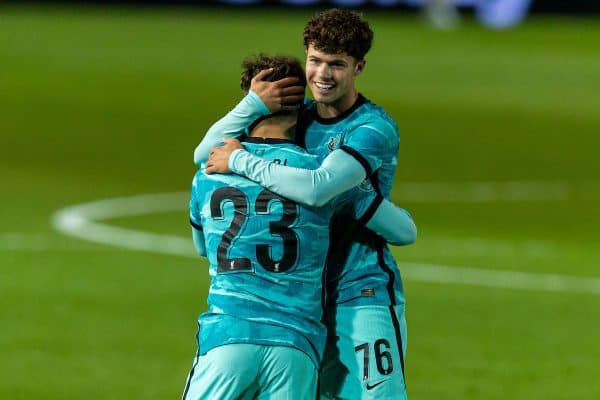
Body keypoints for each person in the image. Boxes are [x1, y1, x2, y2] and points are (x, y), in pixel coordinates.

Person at [196, 9, 415, 399]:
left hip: (358, 288)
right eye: (315, 61)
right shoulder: (299, 117)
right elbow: (204, 153)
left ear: (359, 66)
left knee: (379, 396)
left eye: (337, 65)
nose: (322, 75)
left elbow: (318, 189)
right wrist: (252, 104)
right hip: (301, 301)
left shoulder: (372, 128)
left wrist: (242, 160)